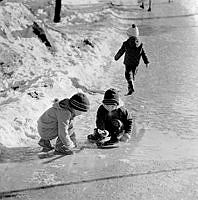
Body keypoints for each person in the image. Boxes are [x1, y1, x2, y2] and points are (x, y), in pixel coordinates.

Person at [114, 24, 149, 95]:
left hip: (128, 62)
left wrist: (116, 57)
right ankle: (131, 86)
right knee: (133, 74)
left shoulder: (126, 43)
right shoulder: (140, 44)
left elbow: (121, 51)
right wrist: (146, 61)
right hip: (136, 62)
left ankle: (130, 86)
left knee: (127, 74)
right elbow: (143, 53)